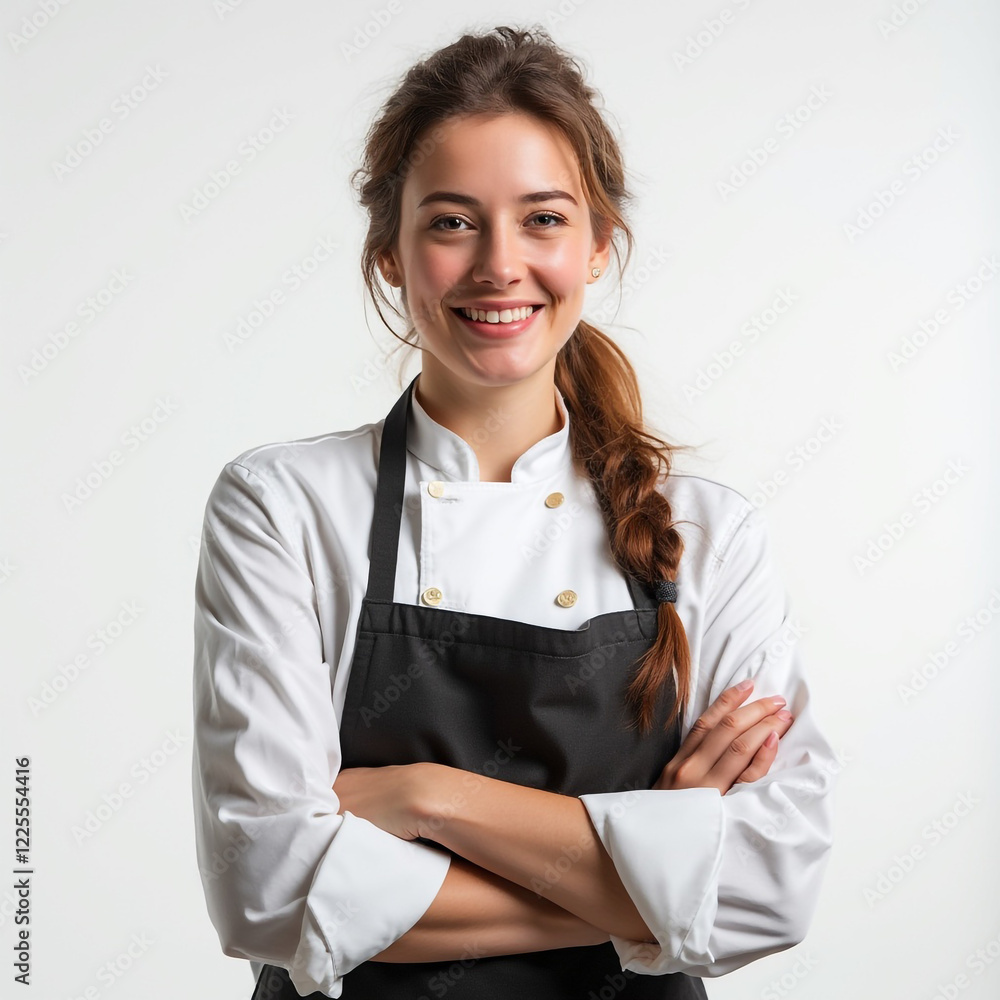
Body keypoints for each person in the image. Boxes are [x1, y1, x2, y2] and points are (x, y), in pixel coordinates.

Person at [191, 24, 837, 1000]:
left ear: (595, 247)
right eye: (452, 222)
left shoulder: (709, 534)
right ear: (389, 258)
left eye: (542, 219)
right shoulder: (282, 507)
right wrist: (659, 876)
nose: (500, 264)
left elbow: (771, 886)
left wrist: (422, 798)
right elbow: (268, 894)